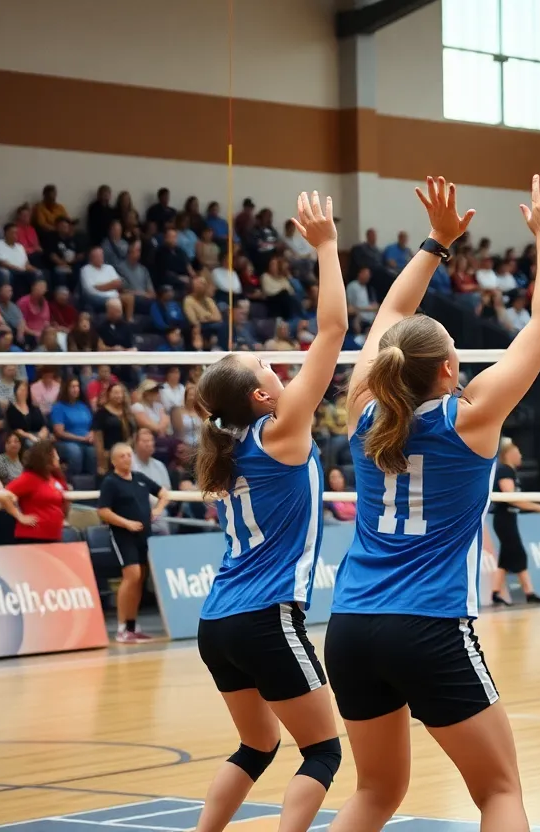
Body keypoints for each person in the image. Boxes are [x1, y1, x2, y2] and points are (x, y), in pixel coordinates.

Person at [325, 173, 540, 832]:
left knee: (374, 793)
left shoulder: (360, 407)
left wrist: (435, 241)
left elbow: (388, 321)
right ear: (449, 370)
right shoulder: (472, 416)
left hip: (349, 624)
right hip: (427, 625)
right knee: (499, 791)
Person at [190, 192, 346, 832]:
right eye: (268, 366)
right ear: (261, 394)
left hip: (216, 622)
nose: (280, 367)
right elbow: (333, 331)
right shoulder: (280, 433)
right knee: (324, 750)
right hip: (266, 617)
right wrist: (327, 247)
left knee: (257, 747)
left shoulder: (225, 448)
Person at [96, 443, 169, 643]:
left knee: (140, 578)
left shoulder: (140, 479)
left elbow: (164, 493)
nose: (127, 459)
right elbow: (103, 511)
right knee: (132, 575)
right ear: (113, 461)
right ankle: (121, 628)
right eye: (122, 456)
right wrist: (126, 523)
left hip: (143, 535)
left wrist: (157, 510)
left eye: (129, 455)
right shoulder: (110, 482)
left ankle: (131, 625)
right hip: (123, 536)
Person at [488, 440, 540, 606]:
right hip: (504, 519)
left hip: (509, 518)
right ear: (509, 454)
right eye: (518, 453)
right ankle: (529, 593)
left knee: (506, 558)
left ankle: (495, 592)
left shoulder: (510, 472)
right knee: (519, 554)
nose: (521, 456)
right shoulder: (506, 470)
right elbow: (512, 498)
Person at [6, 440, 69, 543]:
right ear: (45, 458)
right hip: (33, 536)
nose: (57, 458)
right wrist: (19, 516)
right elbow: (4, 495)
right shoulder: (29, 478)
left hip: (54, 535)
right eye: (54, 455)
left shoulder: (54, 478)